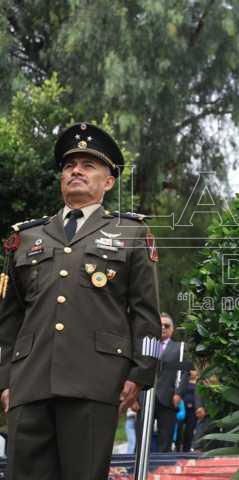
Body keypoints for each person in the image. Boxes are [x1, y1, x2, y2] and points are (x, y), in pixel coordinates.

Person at [0, 122, 162, 479]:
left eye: (89, 165)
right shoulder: (25, 237)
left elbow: (145, 314)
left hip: (96, 381)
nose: (76, 170)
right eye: (70, 164)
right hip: (29, 384)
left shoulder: (131, 233)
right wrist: (5, 379)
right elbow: (9, 319)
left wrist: (140, 374)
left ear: (108, 181)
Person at [137, 312, 187, 452]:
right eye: (160, 325)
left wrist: (179, 393)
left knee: (165, 438)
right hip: (145, 396)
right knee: (141, 437)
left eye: (167, 325)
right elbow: (136, 369)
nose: (163, 328)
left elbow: (184, 373)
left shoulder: (180, 348)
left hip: (168, 398)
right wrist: (134, 398)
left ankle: (162, 469)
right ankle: (136, 470)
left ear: (172, 328)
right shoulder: (144, 345)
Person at [174, 368, 198, 452]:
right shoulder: (183, 382)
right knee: (179, 429)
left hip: (193, 410)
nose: (192, 372)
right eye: (191, 370)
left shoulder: (198, 383)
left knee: (189, 431)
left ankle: (186, 449)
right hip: (183, 409)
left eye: (194, 371)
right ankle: (177, 447)